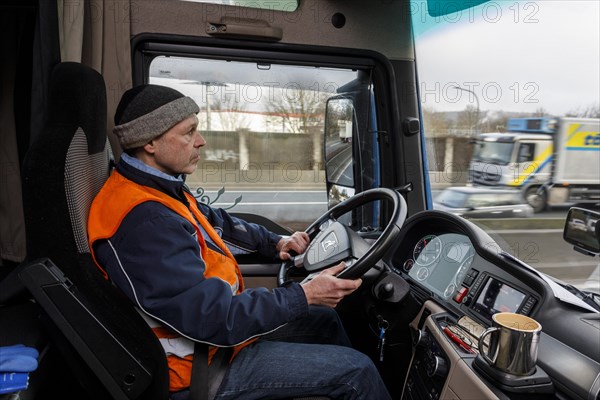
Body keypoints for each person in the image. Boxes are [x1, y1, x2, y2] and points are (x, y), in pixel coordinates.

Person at [88, 84, 391, 399]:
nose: (201, 141)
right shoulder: (145, 221)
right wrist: (305, 294)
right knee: (357, 371)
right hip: (199, 368)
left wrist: (275, 242)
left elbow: (216, 222)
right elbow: (211, 318)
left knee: (325, 321)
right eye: (189, 132)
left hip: (214, 342)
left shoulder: (158, 188)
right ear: (149, 141)